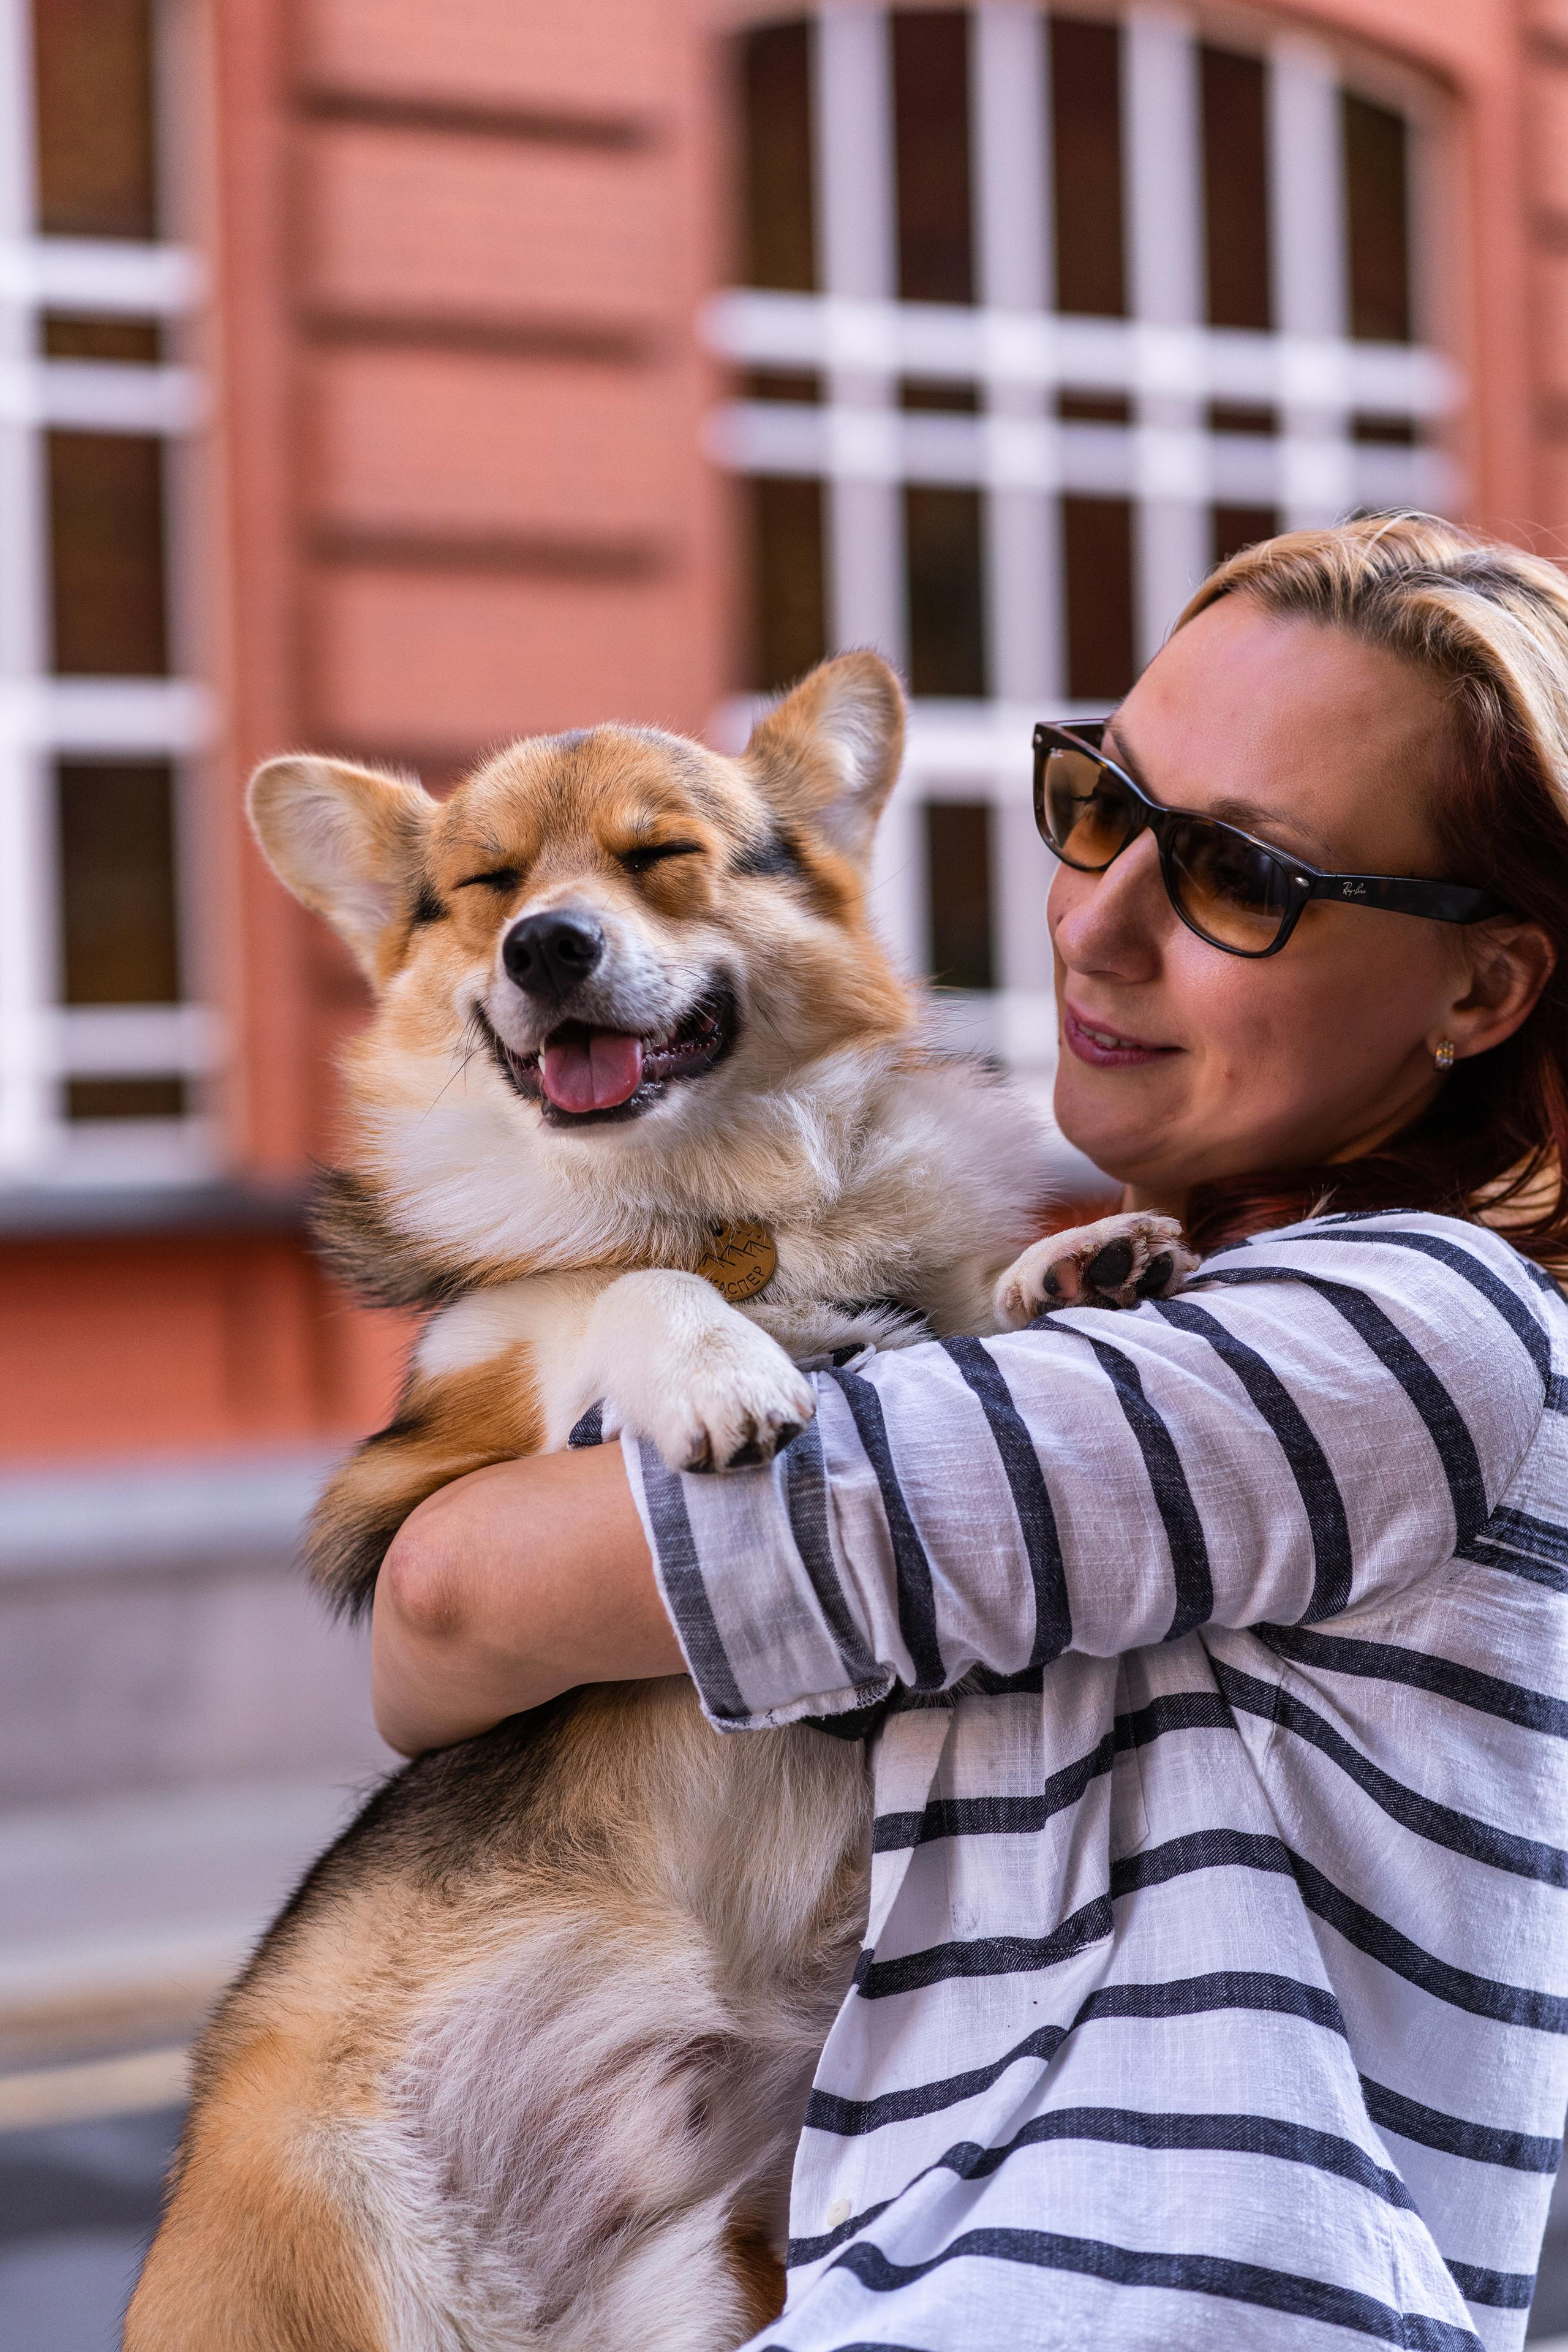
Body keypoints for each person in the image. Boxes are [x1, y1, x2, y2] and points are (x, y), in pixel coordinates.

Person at [370, 514, 1568, 2351]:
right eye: (1102, 804)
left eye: (1243, 875)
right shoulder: (1168, 1308)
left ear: (1484, 991)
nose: (1097, 919)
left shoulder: (1418, 1331)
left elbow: (449, 1600)